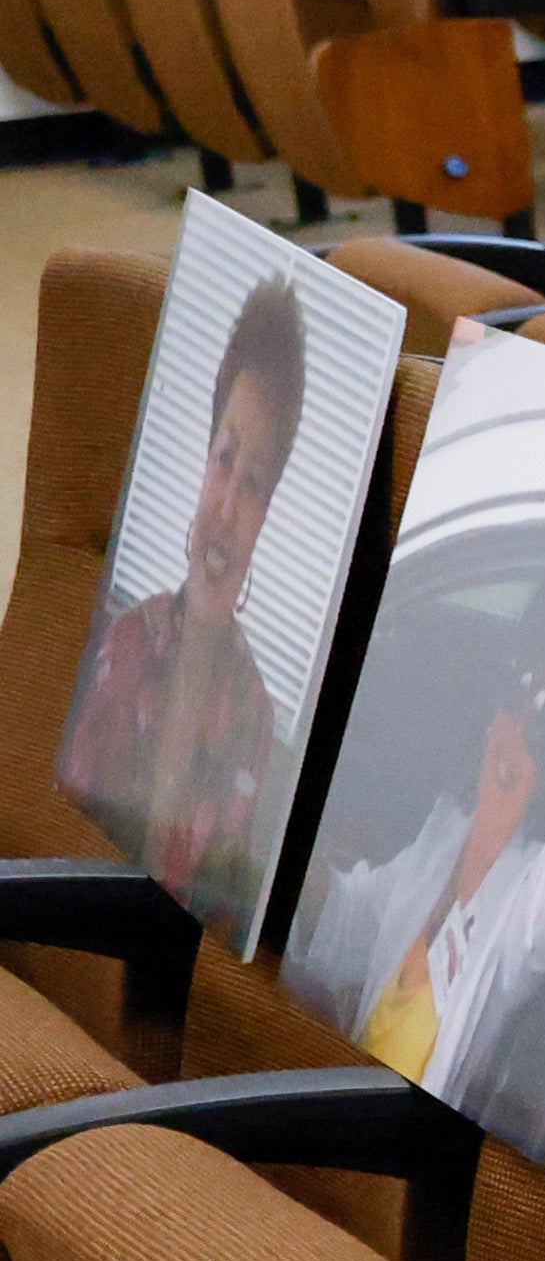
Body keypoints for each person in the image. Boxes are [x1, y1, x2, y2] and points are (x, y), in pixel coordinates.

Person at [288, 622, 545, 1116]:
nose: (519, 726)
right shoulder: (439, 845)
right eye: (519, 692)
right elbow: (336, 920)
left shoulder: (527, 907)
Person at [61, 272, 311, 934]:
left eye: (254, 482)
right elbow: (63, 843)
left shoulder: (256, 713)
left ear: (268, 511)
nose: (228, 507)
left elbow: (224, 923)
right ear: (204, 460)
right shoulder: (124, 642)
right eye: (224, 458)